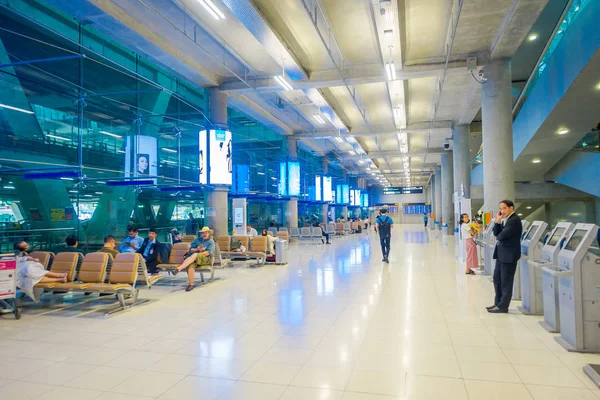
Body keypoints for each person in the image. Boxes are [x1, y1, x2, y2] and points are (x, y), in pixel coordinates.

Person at [487, 200, 523, 314]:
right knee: (497, 279)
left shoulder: (514, 220)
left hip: (509, 256)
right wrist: (497, 221)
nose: (502, 211)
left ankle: (503, 306)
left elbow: (501, 236)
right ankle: (497, 303)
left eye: (504, 208)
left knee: (506, 281)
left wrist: (499, 233)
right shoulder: (505, 220)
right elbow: (496, 233)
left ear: (511, 208)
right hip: (501, 255)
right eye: (500, 209)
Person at [174, 226, 214, 291]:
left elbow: (209, 252)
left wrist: (197, 254)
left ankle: (180, 268)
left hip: (204, 259)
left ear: (209, 233)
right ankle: (191, 285)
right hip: (193, 258)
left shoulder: (211, 242)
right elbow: (190, 250)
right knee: (190, 265)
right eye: (203, 233)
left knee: (194, 255)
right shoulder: (197, 240)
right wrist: (196, 249)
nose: (204, 234)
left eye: (206, 232)